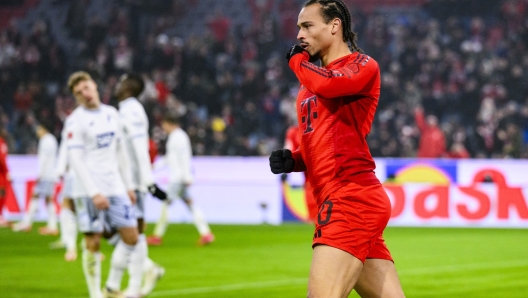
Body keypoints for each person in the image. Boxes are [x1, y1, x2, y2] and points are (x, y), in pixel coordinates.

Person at [269, 1, 405, 297]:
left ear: (334, 25)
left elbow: (330, 86)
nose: (299, 36)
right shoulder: (308, 87)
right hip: (337, 197)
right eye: (298, 29)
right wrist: (293, 161)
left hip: (352, 197)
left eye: (307, 26)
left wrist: (296, 62)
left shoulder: (362, 65)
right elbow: (320, 145)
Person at [65, 71, 144, 298]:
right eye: (79, 92)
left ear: (95, 86)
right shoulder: (75, 121)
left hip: (116, 186)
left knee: (131, 237)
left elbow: (121, 153)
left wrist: (128, 185)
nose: (85, 94)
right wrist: (94, 192)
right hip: (88, 190)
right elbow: (77, 160)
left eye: (86, 88)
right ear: (76, 97)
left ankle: (111, 286)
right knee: (94, 241)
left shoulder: (112, 114)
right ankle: (95, 294)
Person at [115, 73, 167, 296]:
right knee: (125, 233)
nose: (117, 86)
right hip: (124, 181)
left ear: (128, 87)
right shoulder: (126, 109)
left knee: (125, 233)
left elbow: (139, 147)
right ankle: (144, 271)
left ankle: (133, 286)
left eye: (120, 82)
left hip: (132, 183)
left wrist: (147, 182)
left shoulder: (131, 110)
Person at [147, 113, 214, 246]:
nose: (163, 128)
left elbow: (184, 157)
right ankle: (206, 233)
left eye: (164, 125)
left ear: (169, 124)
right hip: (181, 178)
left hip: (178, 179)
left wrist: (187, 176)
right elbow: (169, 158)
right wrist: (155, 166)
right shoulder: (175, 137)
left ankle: (157, 236)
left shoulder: (179, 137)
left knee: (166, 204)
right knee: (190, 205)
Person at [12, 122, 59, 234]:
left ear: (44, 129)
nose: (37, 131)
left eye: (39, 128)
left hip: (45, 175)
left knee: (36, 196)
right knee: (48, 199)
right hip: (51, 174)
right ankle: (52, 225)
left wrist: (39, 174)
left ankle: (27, 223)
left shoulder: (45, 141)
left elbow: (44, 160)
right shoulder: (52, 140)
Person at [49, 124, 79, 261]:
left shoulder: (72, 123)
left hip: (75, 174)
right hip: (95, 176)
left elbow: (65, 150)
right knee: (87, 211)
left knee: (67, 207)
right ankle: (92, 248)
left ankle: (71, 248)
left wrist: (60, 171)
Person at [283, 123, 317, 222]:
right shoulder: (293, 132)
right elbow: (289, 152)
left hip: (322, 182)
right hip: (311, 184)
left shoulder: (295, 132)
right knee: (316, 220)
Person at [0, 127, 11, 227]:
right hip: (1, 175)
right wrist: (7, 172)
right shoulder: (2, 144)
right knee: (1, 194)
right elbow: (2, 159)